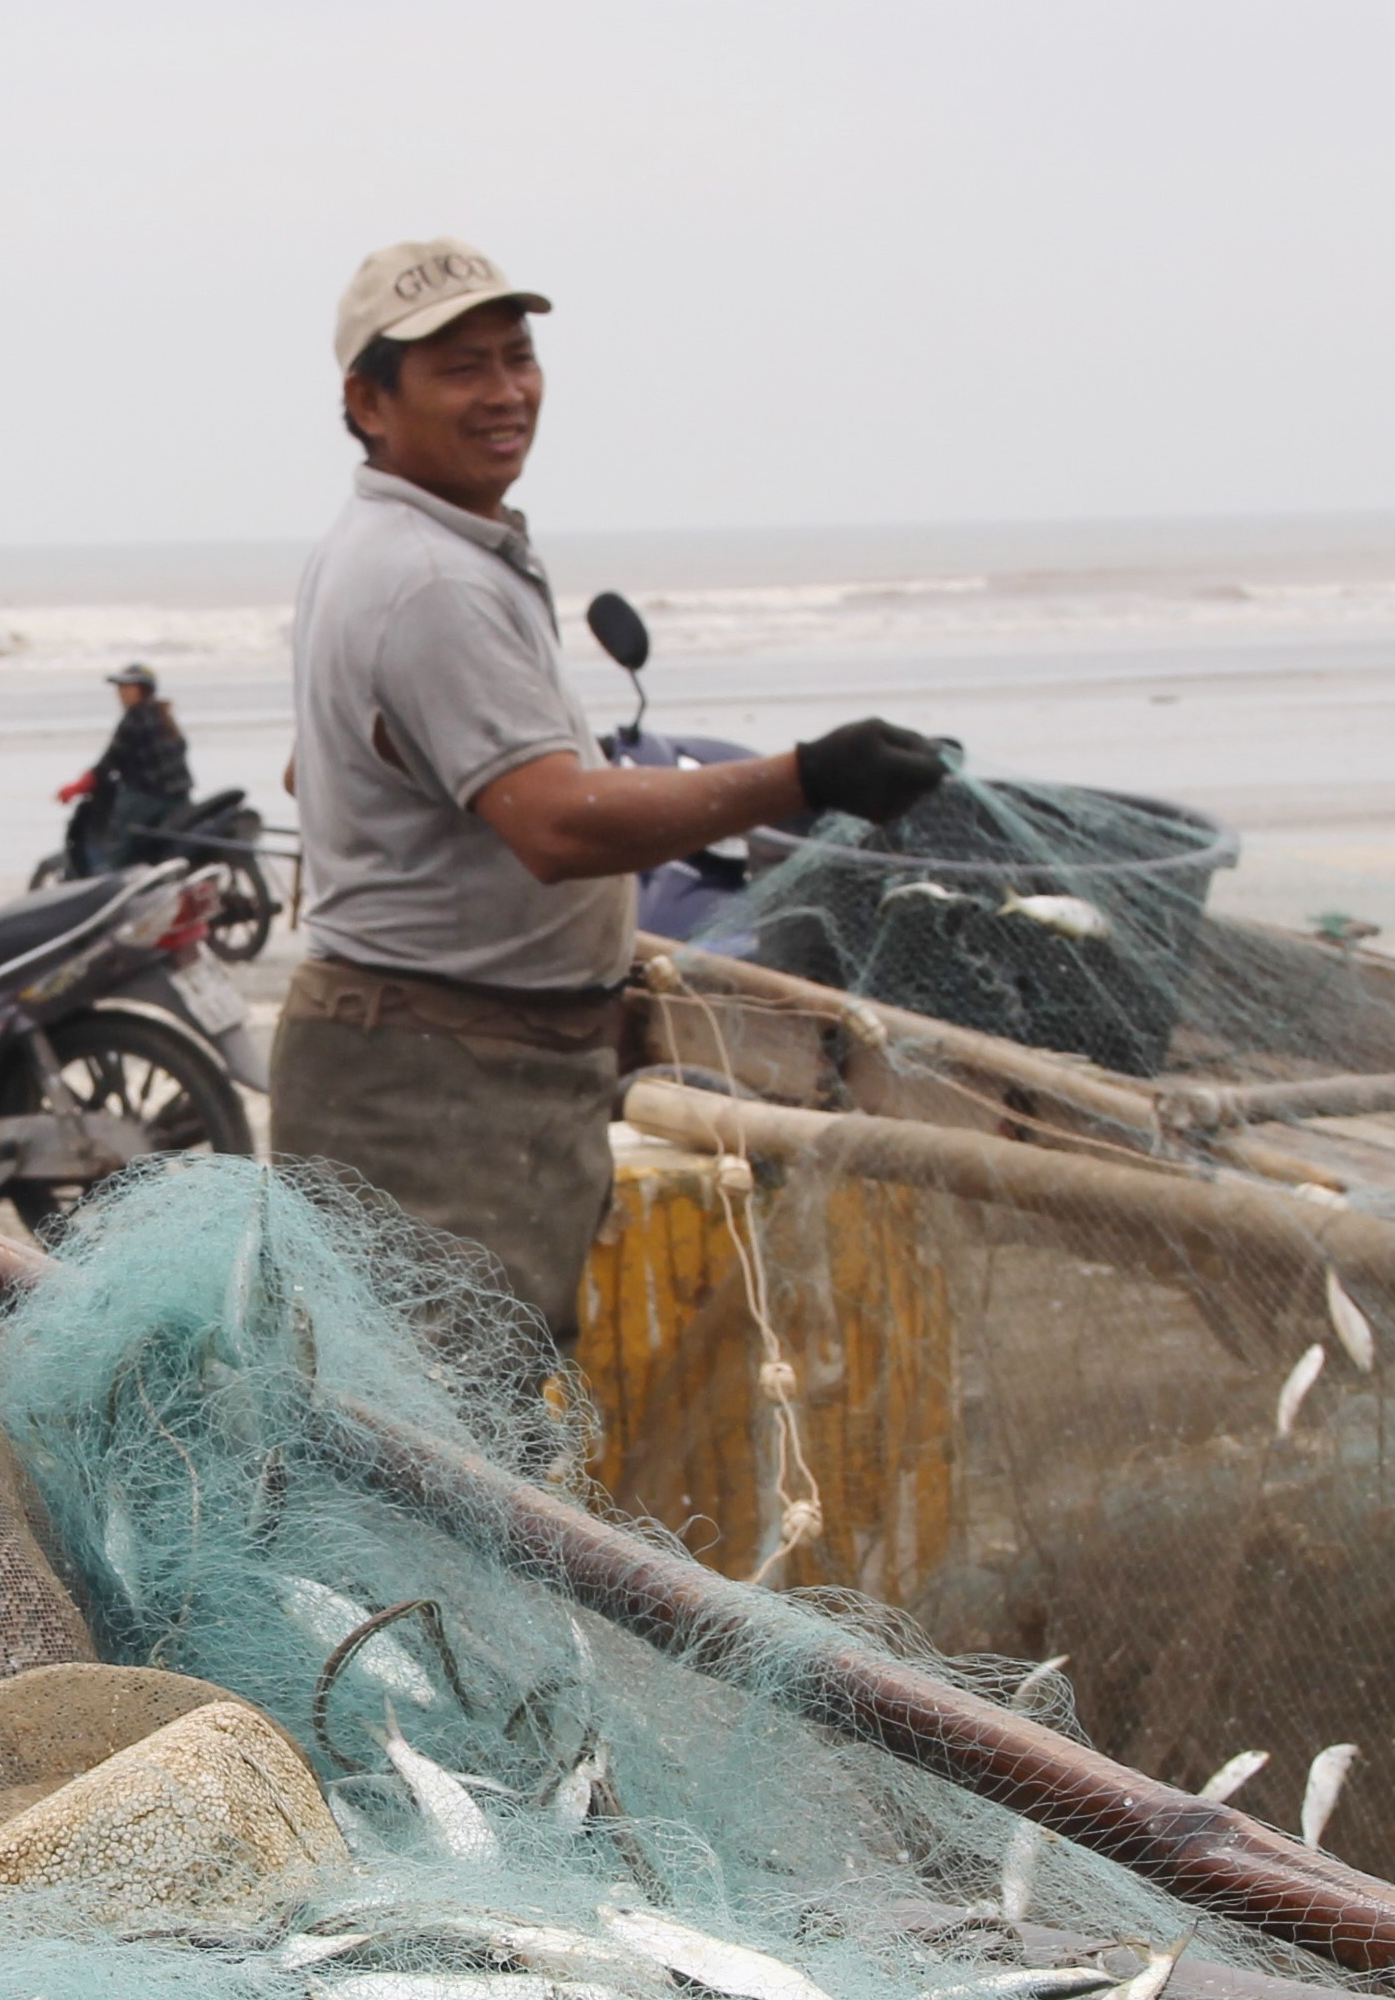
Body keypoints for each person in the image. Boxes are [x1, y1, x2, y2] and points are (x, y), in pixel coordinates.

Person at [270, 239, 948, 1336]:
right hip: (436, 1088)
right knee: (440, 1444)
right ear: (368, 401)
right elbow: (551, 827)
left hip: (443, 1065)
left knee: (414, 1424)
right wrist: (804, 776)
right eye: (460, 369)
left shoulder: (397, 545)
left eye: (517, 357)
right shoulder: (430, 577)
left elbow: (320, 764)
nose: (505, 393)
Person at [58, 663, 197, 880]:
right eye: (119, 688)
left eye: (125, 687)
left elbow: (109, 762)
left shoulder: (135, 719)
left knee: (117, 846)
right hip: (180, 797)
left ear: (140, 689)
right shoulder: (162, 715)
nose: (120, 694)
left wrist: (76, 788)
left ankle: (112, 886)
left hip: (148, 797)